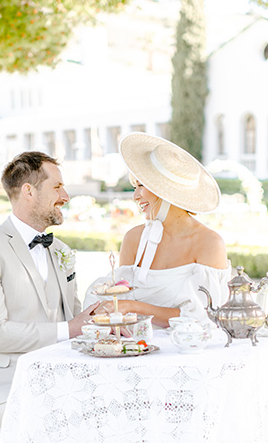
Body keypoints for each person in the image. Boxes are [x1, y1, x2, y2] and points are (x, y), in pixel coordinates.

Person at [0, 151, 98, 427]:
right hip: (0, 390)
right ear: (28, 191)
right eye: (57, 187)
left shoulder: (61, 250)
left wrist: (104, 324)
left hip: (58, 380)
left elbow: (75, 317)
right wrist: (69, 329)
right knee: (62, 421)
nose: (66, 196)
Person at [84, 132, 231, 326]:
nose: (135, 196)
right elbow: (119, 299)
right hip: (135, 348)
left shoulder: (209, 243)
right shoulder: (134, 239)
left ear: (165, 191)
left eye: (141, 185)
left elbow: (203, 318)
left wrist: (133, 307)